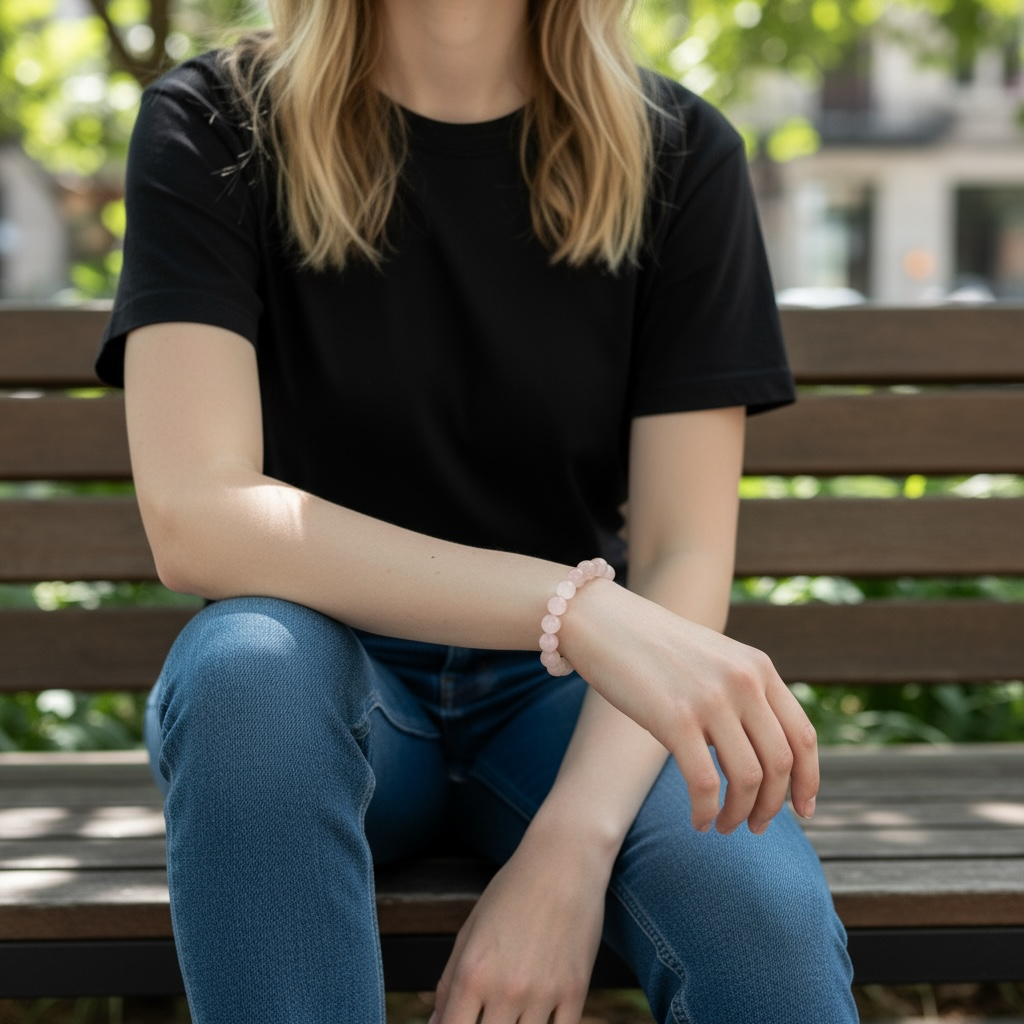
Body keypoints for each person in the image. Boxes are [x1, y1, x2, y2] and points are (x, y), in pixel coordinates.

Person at [96, 0, 858, 1020]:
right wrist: (576, 606)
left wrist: (570, 847)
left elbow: (681, 551)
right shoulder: (215, 126)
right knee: (246, 670)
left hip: (572, 703)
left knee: (759, 930)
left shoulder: (678, 153)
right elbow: (199, 517)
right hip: (325, 685)